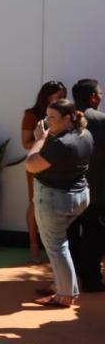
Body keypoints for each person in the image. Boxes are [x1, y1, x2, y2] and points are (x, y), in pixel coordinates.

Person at [26, 98, 93, 308]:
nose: (48, 121)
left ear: (67, 118)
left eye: (53, 117)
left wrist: (39, 139)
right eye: (47, 116)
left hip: (56, 200)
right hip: (78, 196)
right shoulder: (84, 134)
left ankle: (65, 294)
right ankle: (61, 284)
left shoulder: (59, 143)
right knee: (60, 244)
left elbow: (31, 165)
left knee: (56, 246)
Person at [21, 81, 67, 263]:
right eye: (59, 95)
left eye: (64, 95)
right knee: (34, 203)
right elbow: (25, 143)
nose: (62, 99)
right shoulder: (31, 115)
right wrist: (44, 140)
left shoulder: (66, 115)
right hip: (37, 164)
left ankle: (54, 248)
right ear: (47, 96)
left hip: (59, 166)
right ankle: (33, 246)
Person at [69, 79, 105, 292]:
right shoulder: (100, 120)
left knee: (71, 234)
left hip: (67, 188)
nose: (101, 96)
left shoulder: (63, 119)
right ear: (93, 96)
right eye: (99, 93)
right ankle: (91, 280)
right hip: (97, 189)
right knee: (94, 234)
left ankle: (71, 278)